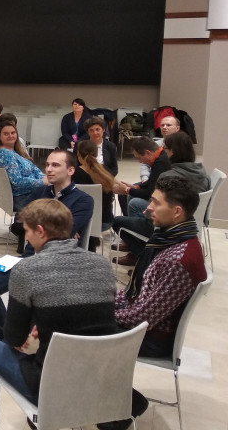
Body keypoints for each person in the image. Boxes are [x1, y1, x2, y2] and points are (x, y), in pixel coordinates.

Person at [0, 199, 117, 430]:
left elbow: (13, 338)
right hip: (101, 385)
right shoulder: (103, 265)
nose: (26, 239)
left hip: (51, 388)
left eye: (26, 232)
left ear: (40, 231)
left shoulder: (27, 270)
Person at [103, 176, 208, 430]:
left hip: (153, 337)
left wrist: (99, 312)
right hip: (149, 324)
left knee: (76, 330)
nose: (147, 208)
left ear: (177, 211)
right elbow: (136, 295)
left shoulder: (179, 259)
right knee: (79, 315)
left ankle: (125, 405)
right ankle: (101, 399)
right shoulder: (170, 238)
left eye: (155, 203)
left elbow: (143, 317)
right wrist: (103, 301)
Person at [0, 149, 94, 339]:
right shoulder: (40, 191)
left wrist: (40, 224)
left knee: (28, 298)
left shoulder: (84, 200)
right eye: (47, 165)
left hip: (57, 264)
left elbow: (63, 234)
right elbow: (20, 222)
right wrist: (54, 227)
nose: (49, 169)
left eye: (55, 165)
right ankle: (7, 337)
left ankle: (16, 338)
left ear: (71, 170)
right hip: (28, 259)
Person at [112, 137, 172, 265]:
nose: (139, 161)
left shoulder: (161, 163)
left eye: (139, 158)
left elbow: (151, 192)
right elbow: (152, 182)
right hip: (164, 204)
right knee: (127, 197)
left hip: (160, 211)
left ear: (148, 153)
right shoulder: (160, 157)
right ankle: (132, 240)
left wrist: (128, 190)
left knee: (133, 203)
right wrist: (136, 187)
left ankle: (139, 253)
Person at [0, 122, 46, 212]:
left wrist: (44, 178)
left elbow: (33, 168)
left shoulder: (14, 151)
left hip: (29, 193)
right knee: (60, 202)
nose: (10, 136)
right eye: (6, 134)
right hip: (21, 198)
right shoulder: (4, 154)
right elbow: (17, 181)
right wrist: (42, 182)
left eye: (13, 133)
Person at [73, 139, 116, 250]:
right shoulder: (105, 172)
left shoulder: (74, 174)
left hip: (83, 222)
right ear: (96, 154)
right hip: (104, 221)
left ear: (78, 154)